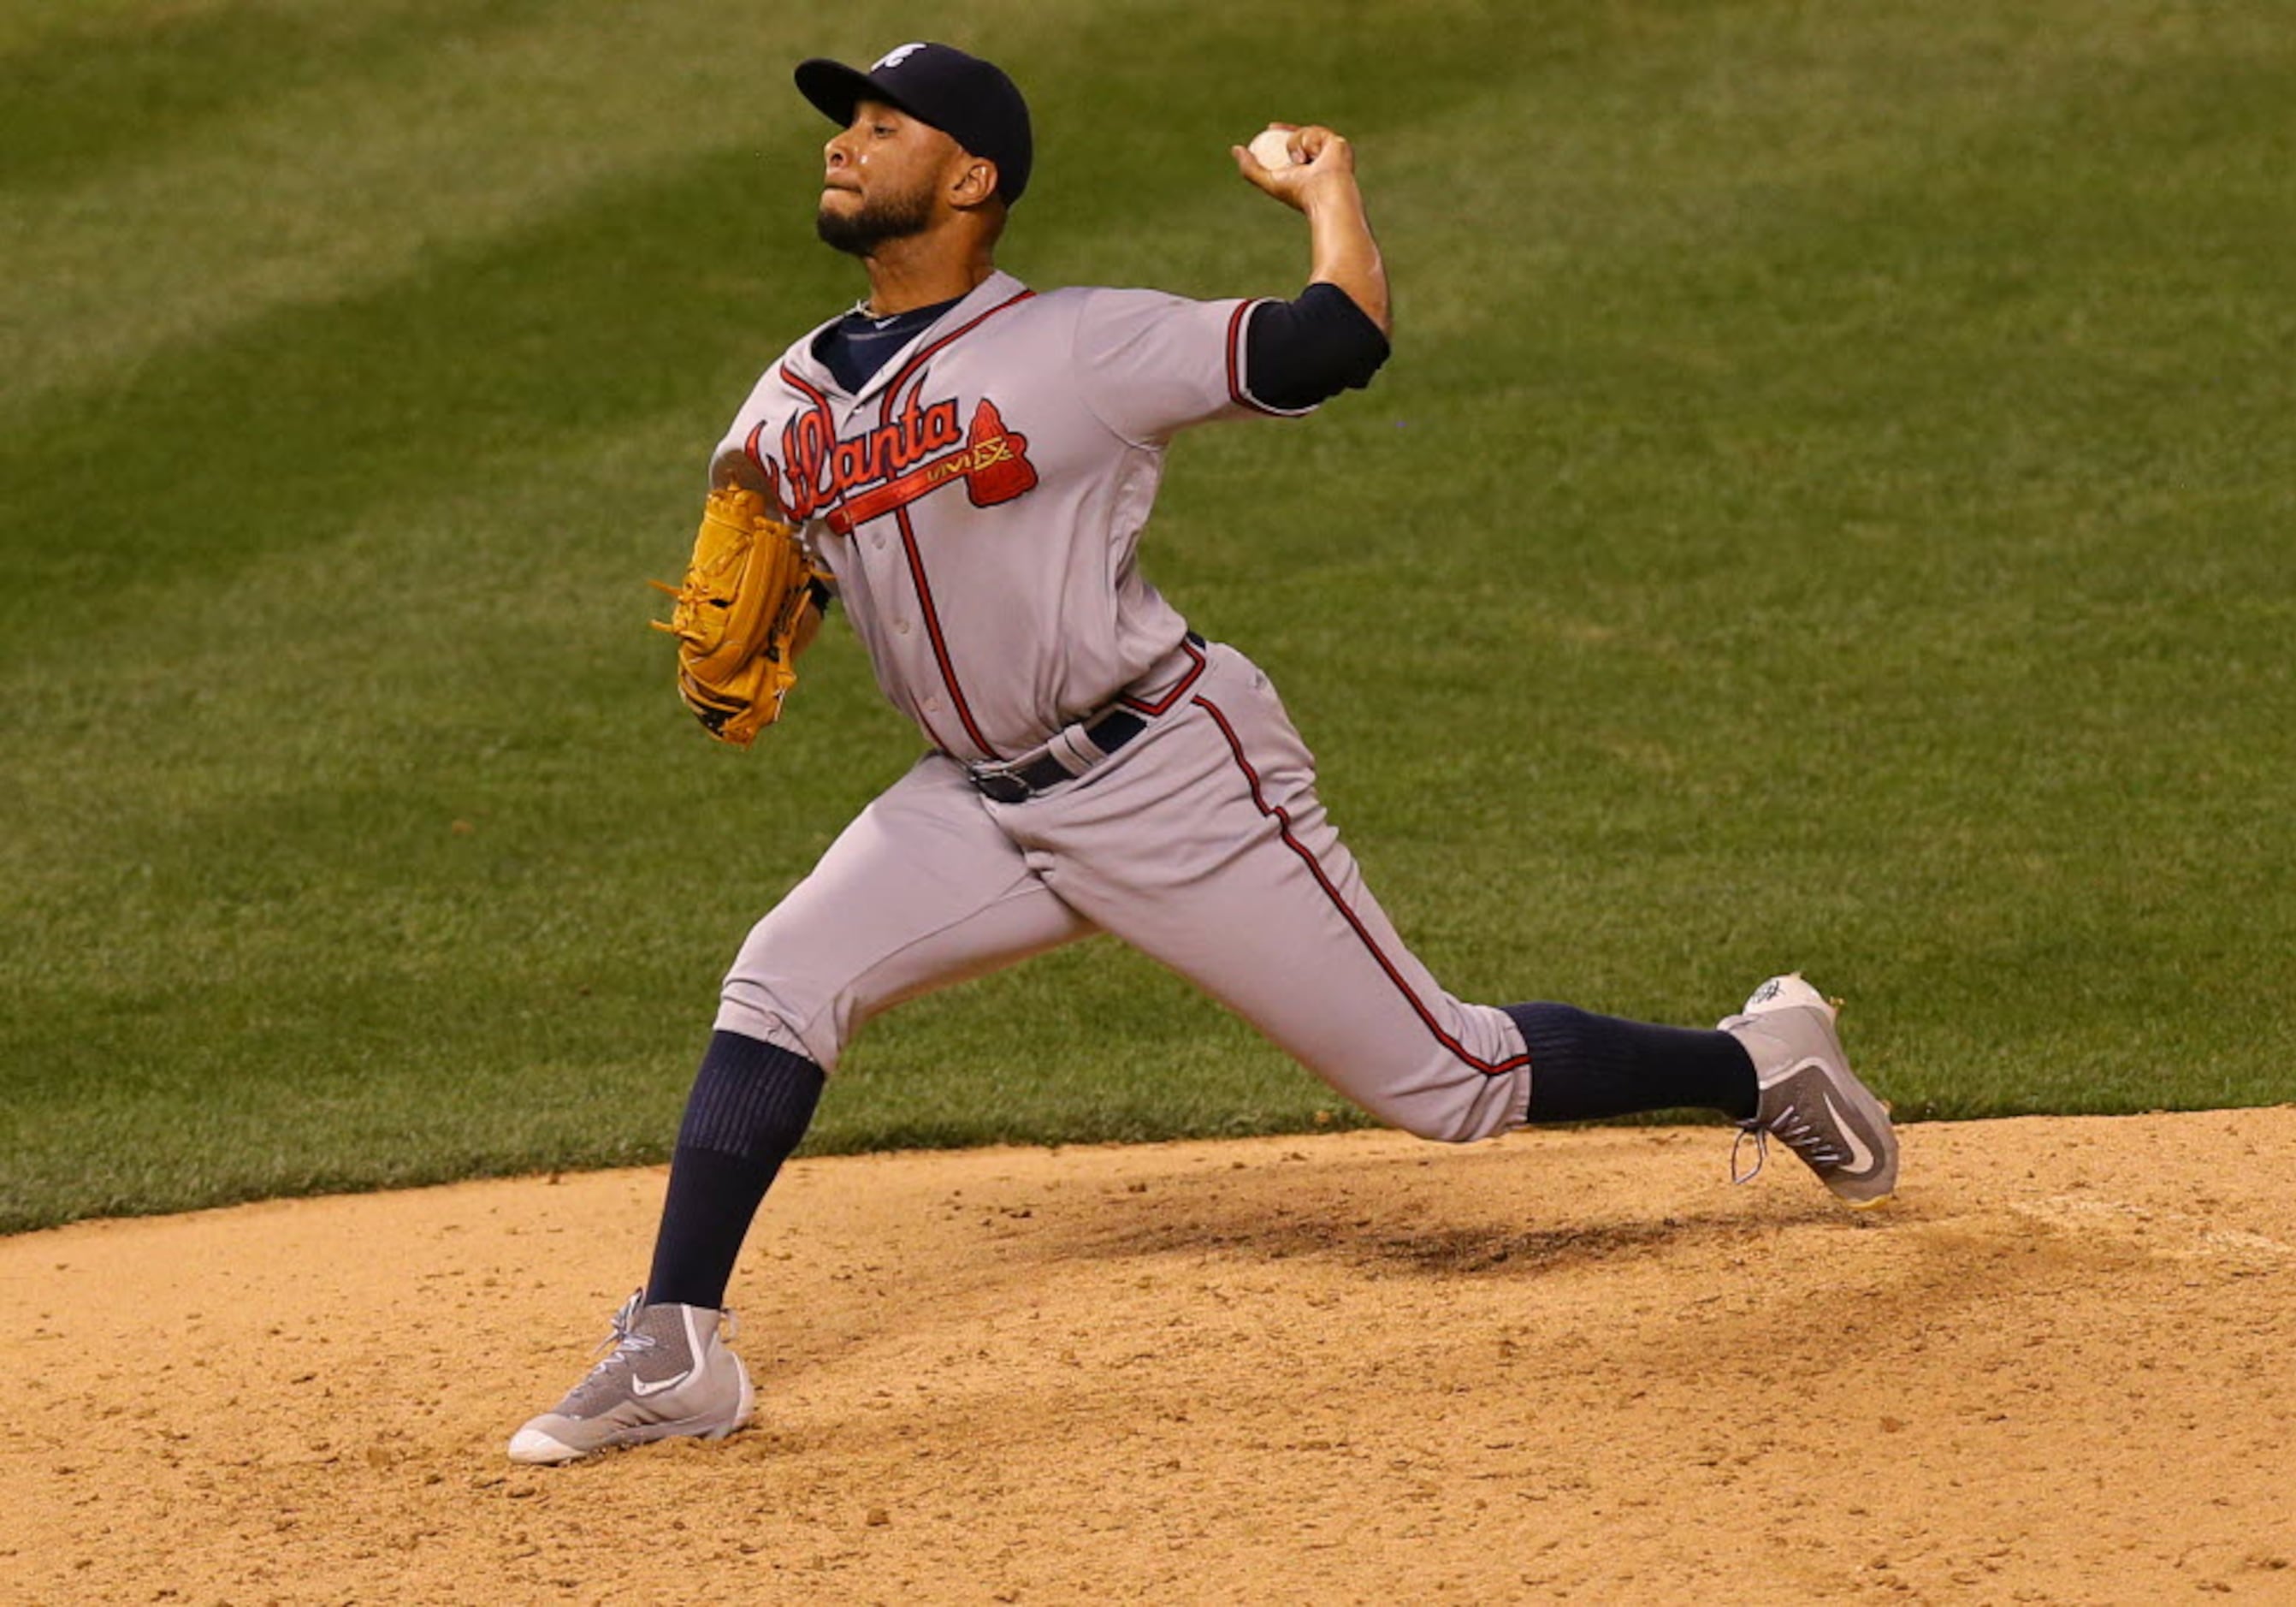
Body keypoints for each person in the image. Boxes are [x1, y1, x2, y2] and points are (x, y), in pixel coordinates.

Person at [508, 41, 1897, 1466]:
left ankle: (1761, 1058)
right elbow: (758, 525)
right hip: (974, 803)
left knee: (1455, 1079)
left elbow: (1333, 338)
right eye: (844, 124)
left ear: (971, 178)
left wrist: (1329, 189)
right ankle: (676, 1345)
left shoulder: (1079, 345)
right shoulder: (790, 398)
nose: (843, 145)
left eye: (881, 125)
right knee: (783, 977)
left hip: (1167, 773)